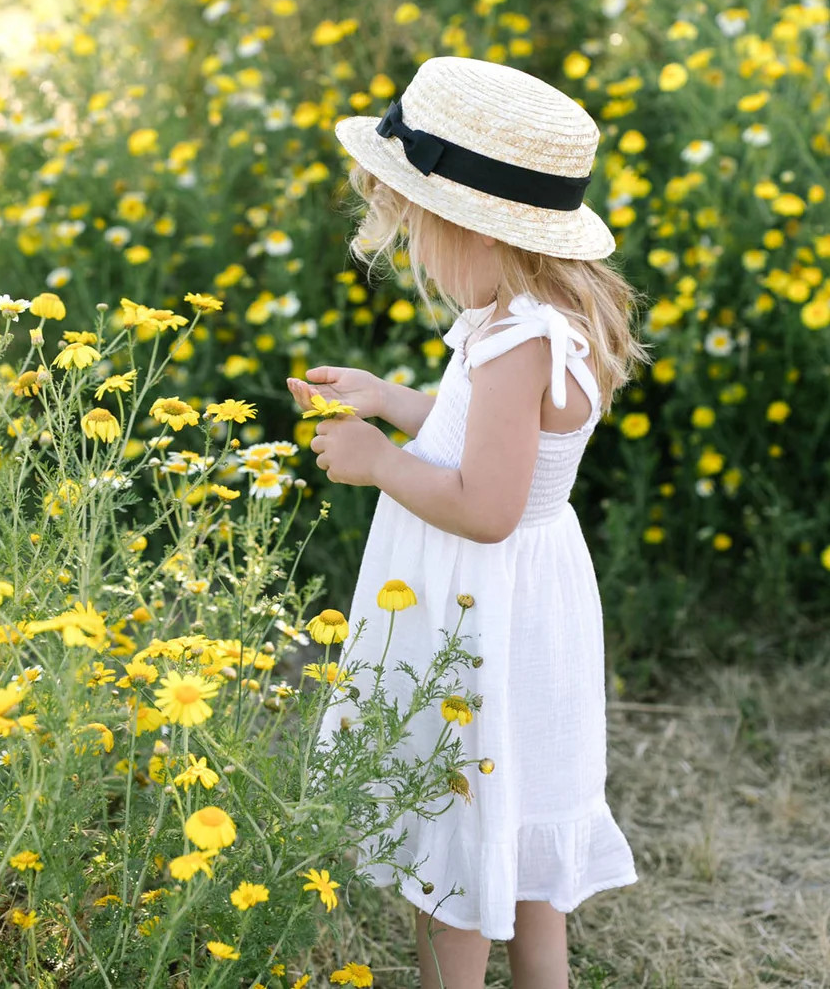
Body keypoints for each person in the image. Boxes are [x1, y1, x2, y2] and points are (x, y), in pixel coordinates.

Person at [286, 55, 648, 989]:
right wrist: (390, 399)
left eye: (417, 228)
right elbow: (479, 440)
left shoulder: (516, 344)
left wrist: (377, 462)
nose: (413, 251)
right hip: (528, 601)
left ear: (476, 230)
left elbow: (485, 507)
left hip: (480, 604)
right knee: (522, 853)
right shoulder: (537, 320)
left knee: (457, 849)